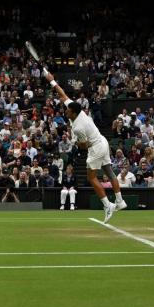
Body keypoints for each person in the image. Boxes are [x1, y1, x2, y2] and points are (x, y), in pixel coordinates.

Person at [43, 69, 126, 221]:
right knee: (109, 171)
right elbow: (62, 94)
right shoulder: (78, 111)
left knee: (91, 177)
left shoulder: (77, 127)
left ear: (73, 112)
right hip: (103, 141)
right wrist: (51, 80)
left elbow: (84, 145)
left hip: (95, 146)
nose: (65, 110)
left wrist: (75, 142)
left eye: (67, 110)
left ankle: (108, 205)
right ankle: (120, 201)